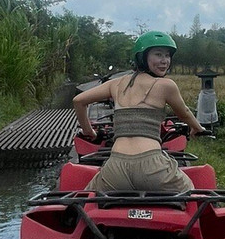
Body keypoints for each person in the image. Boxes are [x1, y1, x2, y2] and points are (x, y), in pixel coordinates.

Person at [73, 31, 208, 193]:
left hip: (116, 168)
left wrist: (89, 132)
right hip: (153, 167)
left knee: (86, 198)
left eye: (167, 55)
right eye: (158, 54)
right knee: (191, 193)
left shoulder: (115, 84)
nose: (164, 61)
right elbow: (184, 113)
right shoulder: (166, 85)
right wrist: (197, 128)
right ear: (142, 57)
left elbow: (79, 101)